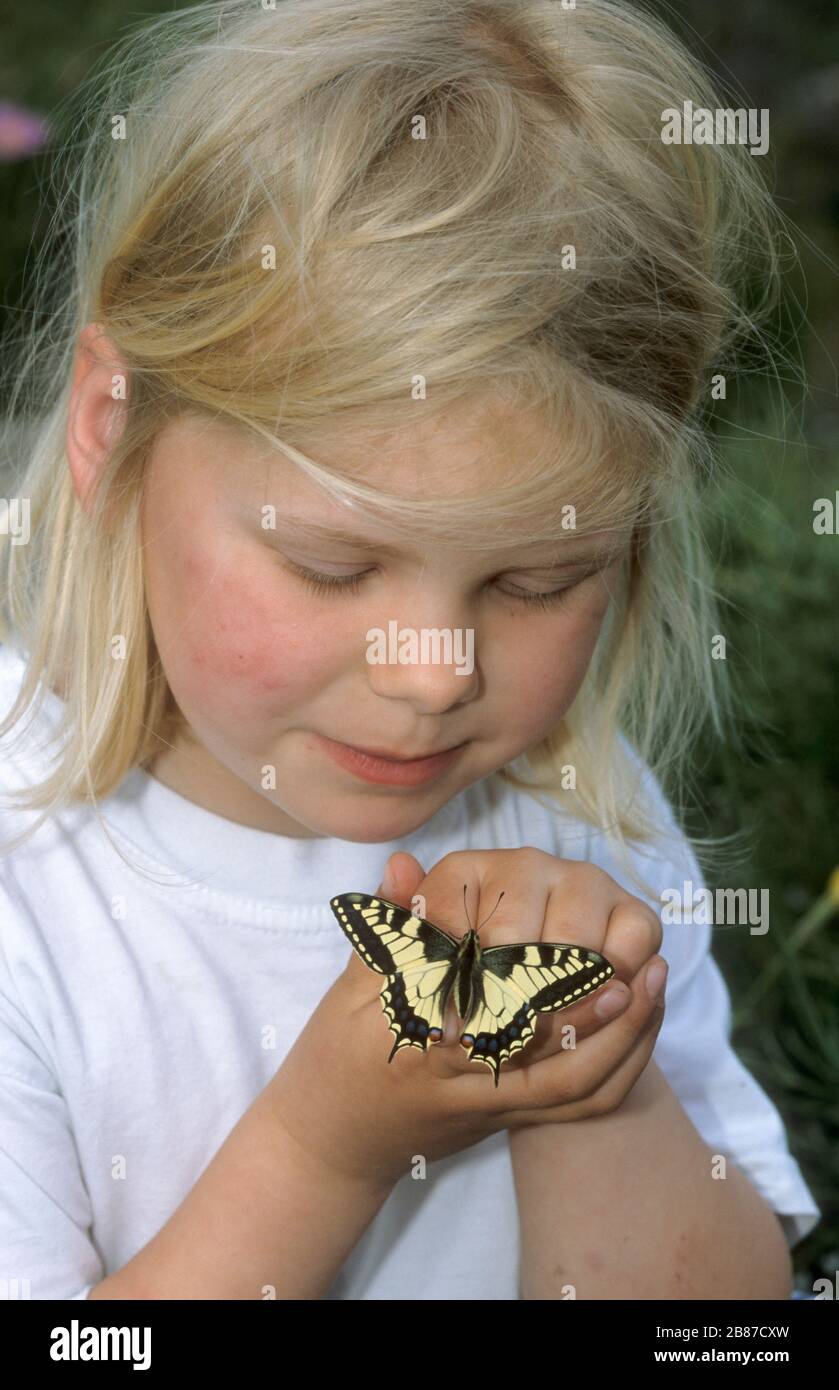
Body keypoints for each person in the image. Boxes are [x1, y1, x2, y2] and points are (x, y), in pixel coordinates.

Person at [0, 0, 820, 1300]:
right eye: (334, 564)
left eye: (539, 578)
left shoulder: (572, 812)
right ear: (112, 424)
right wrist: (326, 1147)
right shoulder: (28, 887)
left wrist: (590, 1092)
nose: (436, 669)